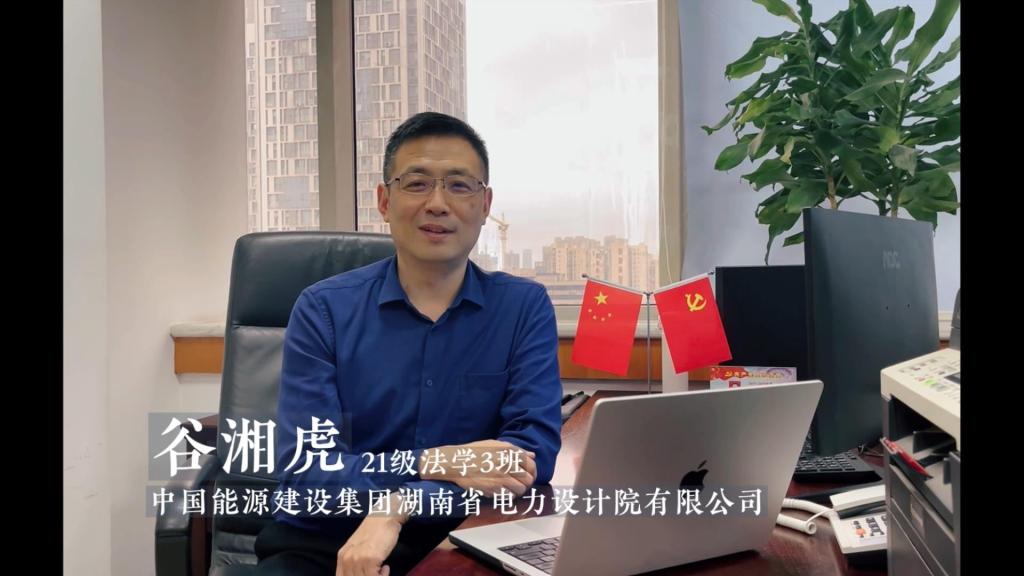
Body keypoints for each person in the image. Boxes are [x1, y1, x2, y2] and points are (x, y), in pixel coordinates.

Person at [255, 111, 563, 576]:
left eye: (459, 185)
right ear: (384, 200)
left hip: (459, 540)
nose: (438, 204)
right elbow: (307, 475)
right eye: (417, 184)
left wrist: (402, 503)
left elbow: (528, 460)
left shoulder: (523, 308)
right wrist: (436, 461)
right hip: (324, 541)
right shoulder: (323, 310)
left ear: (485, 205)